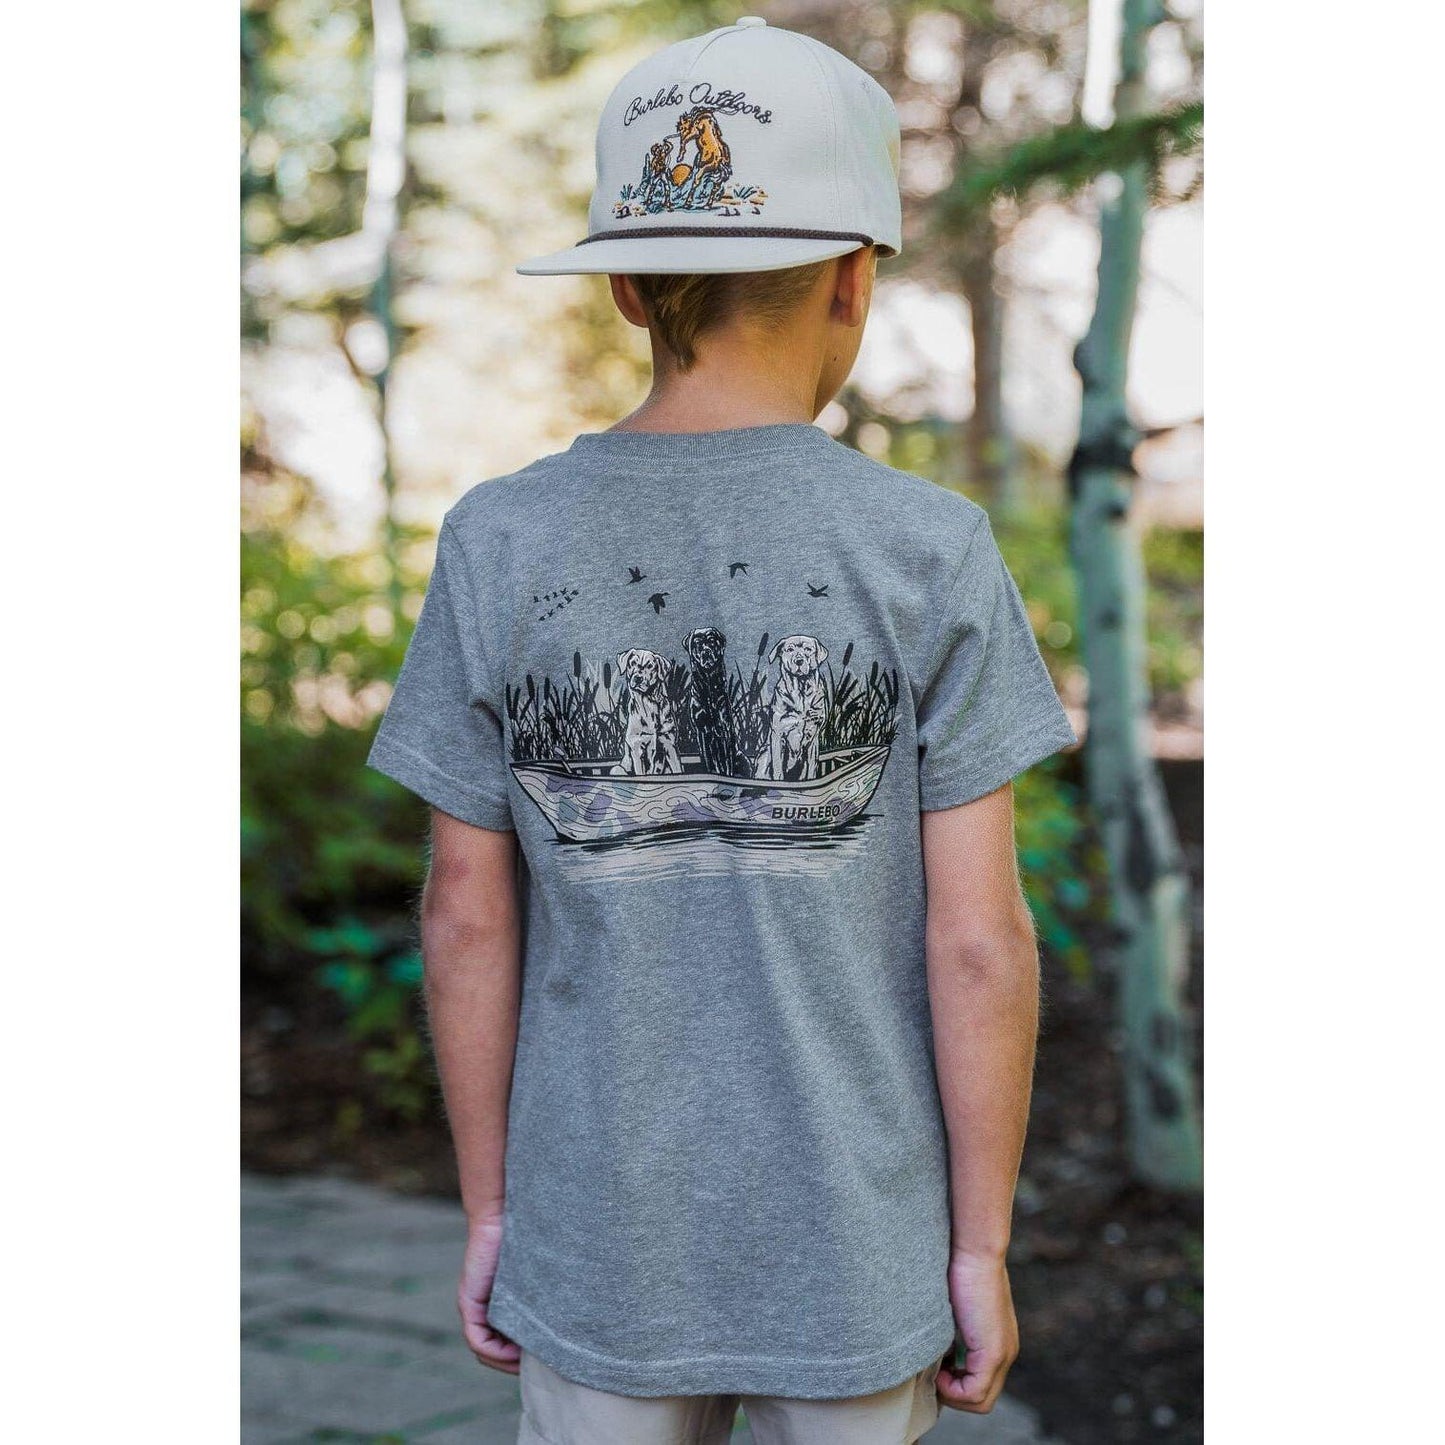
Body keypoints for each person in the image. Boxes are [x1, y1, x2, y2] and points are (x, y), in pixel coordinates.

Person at [368, 17, 1076, 1445]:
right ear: (854, 277)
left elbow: (463, 911)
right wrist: (979, 1246)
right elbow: (978, 940)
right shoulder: (927, 545)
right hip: (859, 1242)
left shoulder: (498, 538)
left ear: (625, 285)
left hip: (595, 1237)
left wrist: (494, 1208)